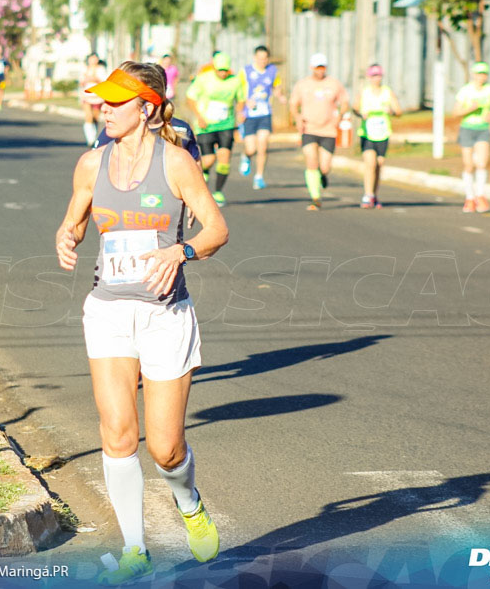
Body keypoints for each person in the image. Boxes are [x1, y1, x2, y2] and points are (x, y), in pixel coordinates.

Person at [55, 62, 228, 585]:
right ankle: (135, 549)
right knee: (117, 432)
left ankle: (188, 500)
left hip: (164, 315)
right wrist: (65, 237)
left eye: (115, 101)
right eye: (101, 101)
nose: (103, 108)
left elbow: (217, 228)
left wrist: (180, 250)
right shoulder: (90, 164)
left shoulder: (176, 164)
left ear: (147, 108)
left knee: (165, 447)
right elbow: (74, 221)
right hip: (107, 308)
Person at [289, 52, 350, 210]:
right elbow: (293, 104)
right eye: (317, 67)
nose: (320, 70)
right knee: (311, 161)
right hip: (309, 128)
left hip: (328, 130)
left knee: (324, 166)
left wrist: (340, 116)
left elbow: (344, 102)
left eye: (323, 67)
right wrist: (297, 117)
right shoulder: (303, 85)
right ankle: (315, 198)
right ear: (311, 67)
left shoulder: (334, 84)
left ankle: (322, 176)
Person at [185, 52, 247, 208]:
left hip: (226, 124)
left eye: (226, 70)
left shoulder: (235, 81)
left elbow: (240, 99)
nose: (223, 73)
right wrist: (199, 117)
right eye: (220, 70)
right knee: (209, 159)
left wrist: (240, 113)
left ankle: (218, 192)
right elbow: (190, 97)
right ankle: (201, 171)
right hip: (206, 125)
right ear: (214, 68)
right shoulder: (204, 79)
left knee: (225, 157)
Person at [353, 64, 402, 208]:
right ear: (369, 77)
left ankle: (374, 194)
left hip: (382, 134)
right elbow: (355, 108)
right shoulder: (364, 93)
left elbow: (399, 111)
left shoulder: (387, 93)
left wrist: (391, 111)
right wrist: (361, 114)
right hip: (367, 134)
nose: (376, 79)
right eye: (373, 76)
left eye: (379, 75)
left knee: (379, 165)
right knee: (370, 163)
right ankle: (367, 195)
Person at [453, 62, 490, 213]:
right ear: (474, 75)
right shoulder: (466, 91)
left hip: (482, 129)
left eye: (484, 74)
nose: (481, 77)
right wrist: (470, 109)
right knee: (468, 165)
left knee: (482, 163)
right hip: (467, 128)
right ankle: (469, 198)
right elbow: (455, 112)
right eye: (479, 73)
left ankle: (480, 196)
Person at [237, 45, 284, 190]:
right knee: (251, 148)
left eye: (265, 58)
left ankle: (259, 176)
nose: (262, 61)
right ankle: (246, 156)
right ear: (254, 57)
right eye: (259, 58)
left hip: (265, 113)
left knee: (263, 145)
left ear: (268, 58)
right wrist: (243, 105)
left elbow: (276, 87)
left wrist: (280, 96)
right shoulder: (245, 72)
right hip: (250, 115)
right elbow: (238, 92)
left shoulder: (272, 71)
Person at [79, 53, 108, 145]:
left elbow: (104, 82)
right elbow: (81, 83)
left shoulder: (101, 69)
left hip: (98, 97)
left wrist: (95, 79)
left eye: (95, 58)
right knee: (88, 117)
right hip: (86, 97)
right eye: (92, 58)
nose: (93, 60)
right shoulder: (84, 69)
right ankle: (90, 139)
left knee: (95, 118)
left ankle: (94, 136)